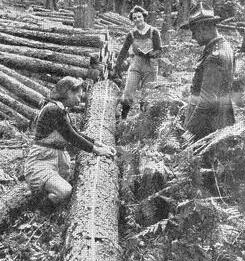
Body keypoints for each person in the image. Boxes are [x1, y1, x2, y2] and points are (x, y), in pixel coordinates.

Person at [24, 76, 116, 205]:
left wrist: (99, 143)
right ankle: (39, 202)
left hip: (57, 159)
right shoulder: (53, 110)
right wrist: (96, 150)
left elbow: (75, 132)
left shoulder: (62, 109)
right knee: (66, 192)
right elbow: (71, 136)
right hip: (42, 161)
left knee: (65, 190)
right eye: (78, 96)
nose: (79, 100)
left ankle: (45, 195)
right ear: (68, 93)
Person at [181, 2, 235, 141]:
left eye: (194, 32)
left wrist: (190, 130)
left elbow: (206, 101)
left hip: (207, 127)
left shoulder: (214, 57)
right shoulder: (226, 47)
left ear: (204, 28)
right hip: (221, 120)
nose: (193, 37)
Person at [114, 5, 162, 119]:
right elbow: (124, 50)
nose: (137, 20)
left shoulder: (154, 32)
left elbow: (159, 50)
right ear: (132, 20)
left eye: (139, 17)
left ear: (144, 17)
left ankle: (143, 119)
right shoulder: (131, 34)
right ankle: (123, 118)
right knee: (128, 92)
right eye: (134, 18)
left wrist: (151, 53)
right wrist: (117, 66)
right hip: (136, 63)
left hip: (150, 65)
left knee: (147, 94)